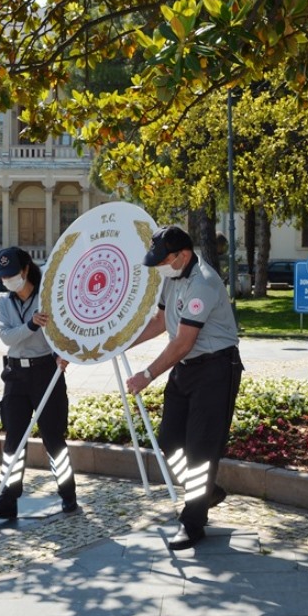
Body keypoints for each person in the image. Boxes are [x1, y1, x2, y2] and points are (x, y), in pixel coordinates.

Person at [123, 226, 244, 550]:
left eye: (165, 259)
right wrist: (121, 342)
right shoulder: (173, 276)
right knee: (170, 441)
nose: (160, 266)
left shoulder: (203, 282)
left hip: (216, 369)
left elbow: (183, 343)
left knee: (201, 451)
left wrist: (147, 374)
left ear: (184, 255)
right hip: (186, 370)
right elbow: (161, 322)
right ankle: (207, 493)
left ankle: (193, 522)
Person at [0, 247, 78, 520]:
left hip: (46, 372)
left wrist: (63, 354)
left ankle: (68, 495)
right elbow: (8, 338)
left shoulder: (47, 298)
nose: (7, 280)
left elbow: (61, 334)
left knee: (53, 439)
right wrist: (32, 326)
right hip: (15, 376)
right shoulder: (3, 303)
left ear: (25, 270)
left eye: (12, 274)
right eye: (3, 276)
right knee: (13, 439)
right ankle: (7, 498)